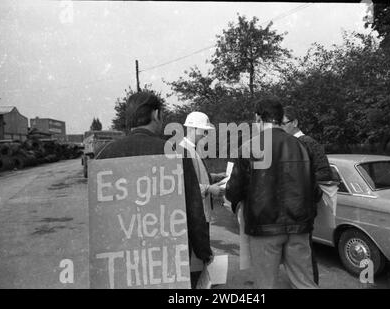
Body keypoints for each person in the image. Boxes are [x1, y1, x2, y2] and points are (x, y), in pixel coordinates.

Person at [95, 91, 213, 288]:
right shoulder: (176, 152)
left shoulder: (105, 154)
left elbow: (101, 214)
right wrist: (203, 251)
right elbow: (193, 209)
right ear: (157, 114)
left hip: (124, 255)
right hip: (168, 254)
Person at [225, 96, 321, 289]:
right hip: (299, 227)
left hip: (263, 228)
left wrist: (229, 194)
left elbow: (234, 191)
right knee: (305, 283)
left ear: (258, 119)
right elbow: (315, 190)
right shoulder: (302, 146)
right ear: (279, 117)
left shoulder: (249, 147)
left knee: (266, 284)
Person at [177, 111, 226, 284]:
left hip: (201, 210)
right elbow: (184, 185)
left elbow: (196, 176)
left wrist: (214, 176)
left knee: (197, 259)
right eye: (203, 131)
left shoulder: (191, 149)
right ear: (192, 128)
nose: (205, 135)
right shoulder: (183, 150)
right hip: (195, 212)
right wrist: (209, 189)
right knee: (195, 258)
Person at [282, 106, 333, 182]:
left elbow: (325, 173)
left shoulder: (308, 142)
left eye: (282, 123)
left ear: (295, 123)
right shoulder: (283, 145)